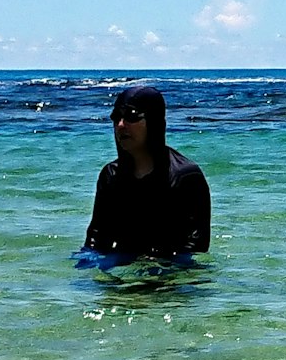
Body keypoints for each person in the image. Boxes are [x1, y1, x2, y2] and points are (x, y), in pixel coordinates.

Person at [79, 85, 210, 264]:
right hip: (124, 265)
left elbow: (197, 244)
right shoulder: (111, 175)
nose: (120, 125)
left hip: (170, 274)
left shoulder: (185, 176)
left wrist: (160, 271)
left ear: (153, 121)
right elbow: (97, 236)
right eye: (116, 118)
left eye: (131, 116)